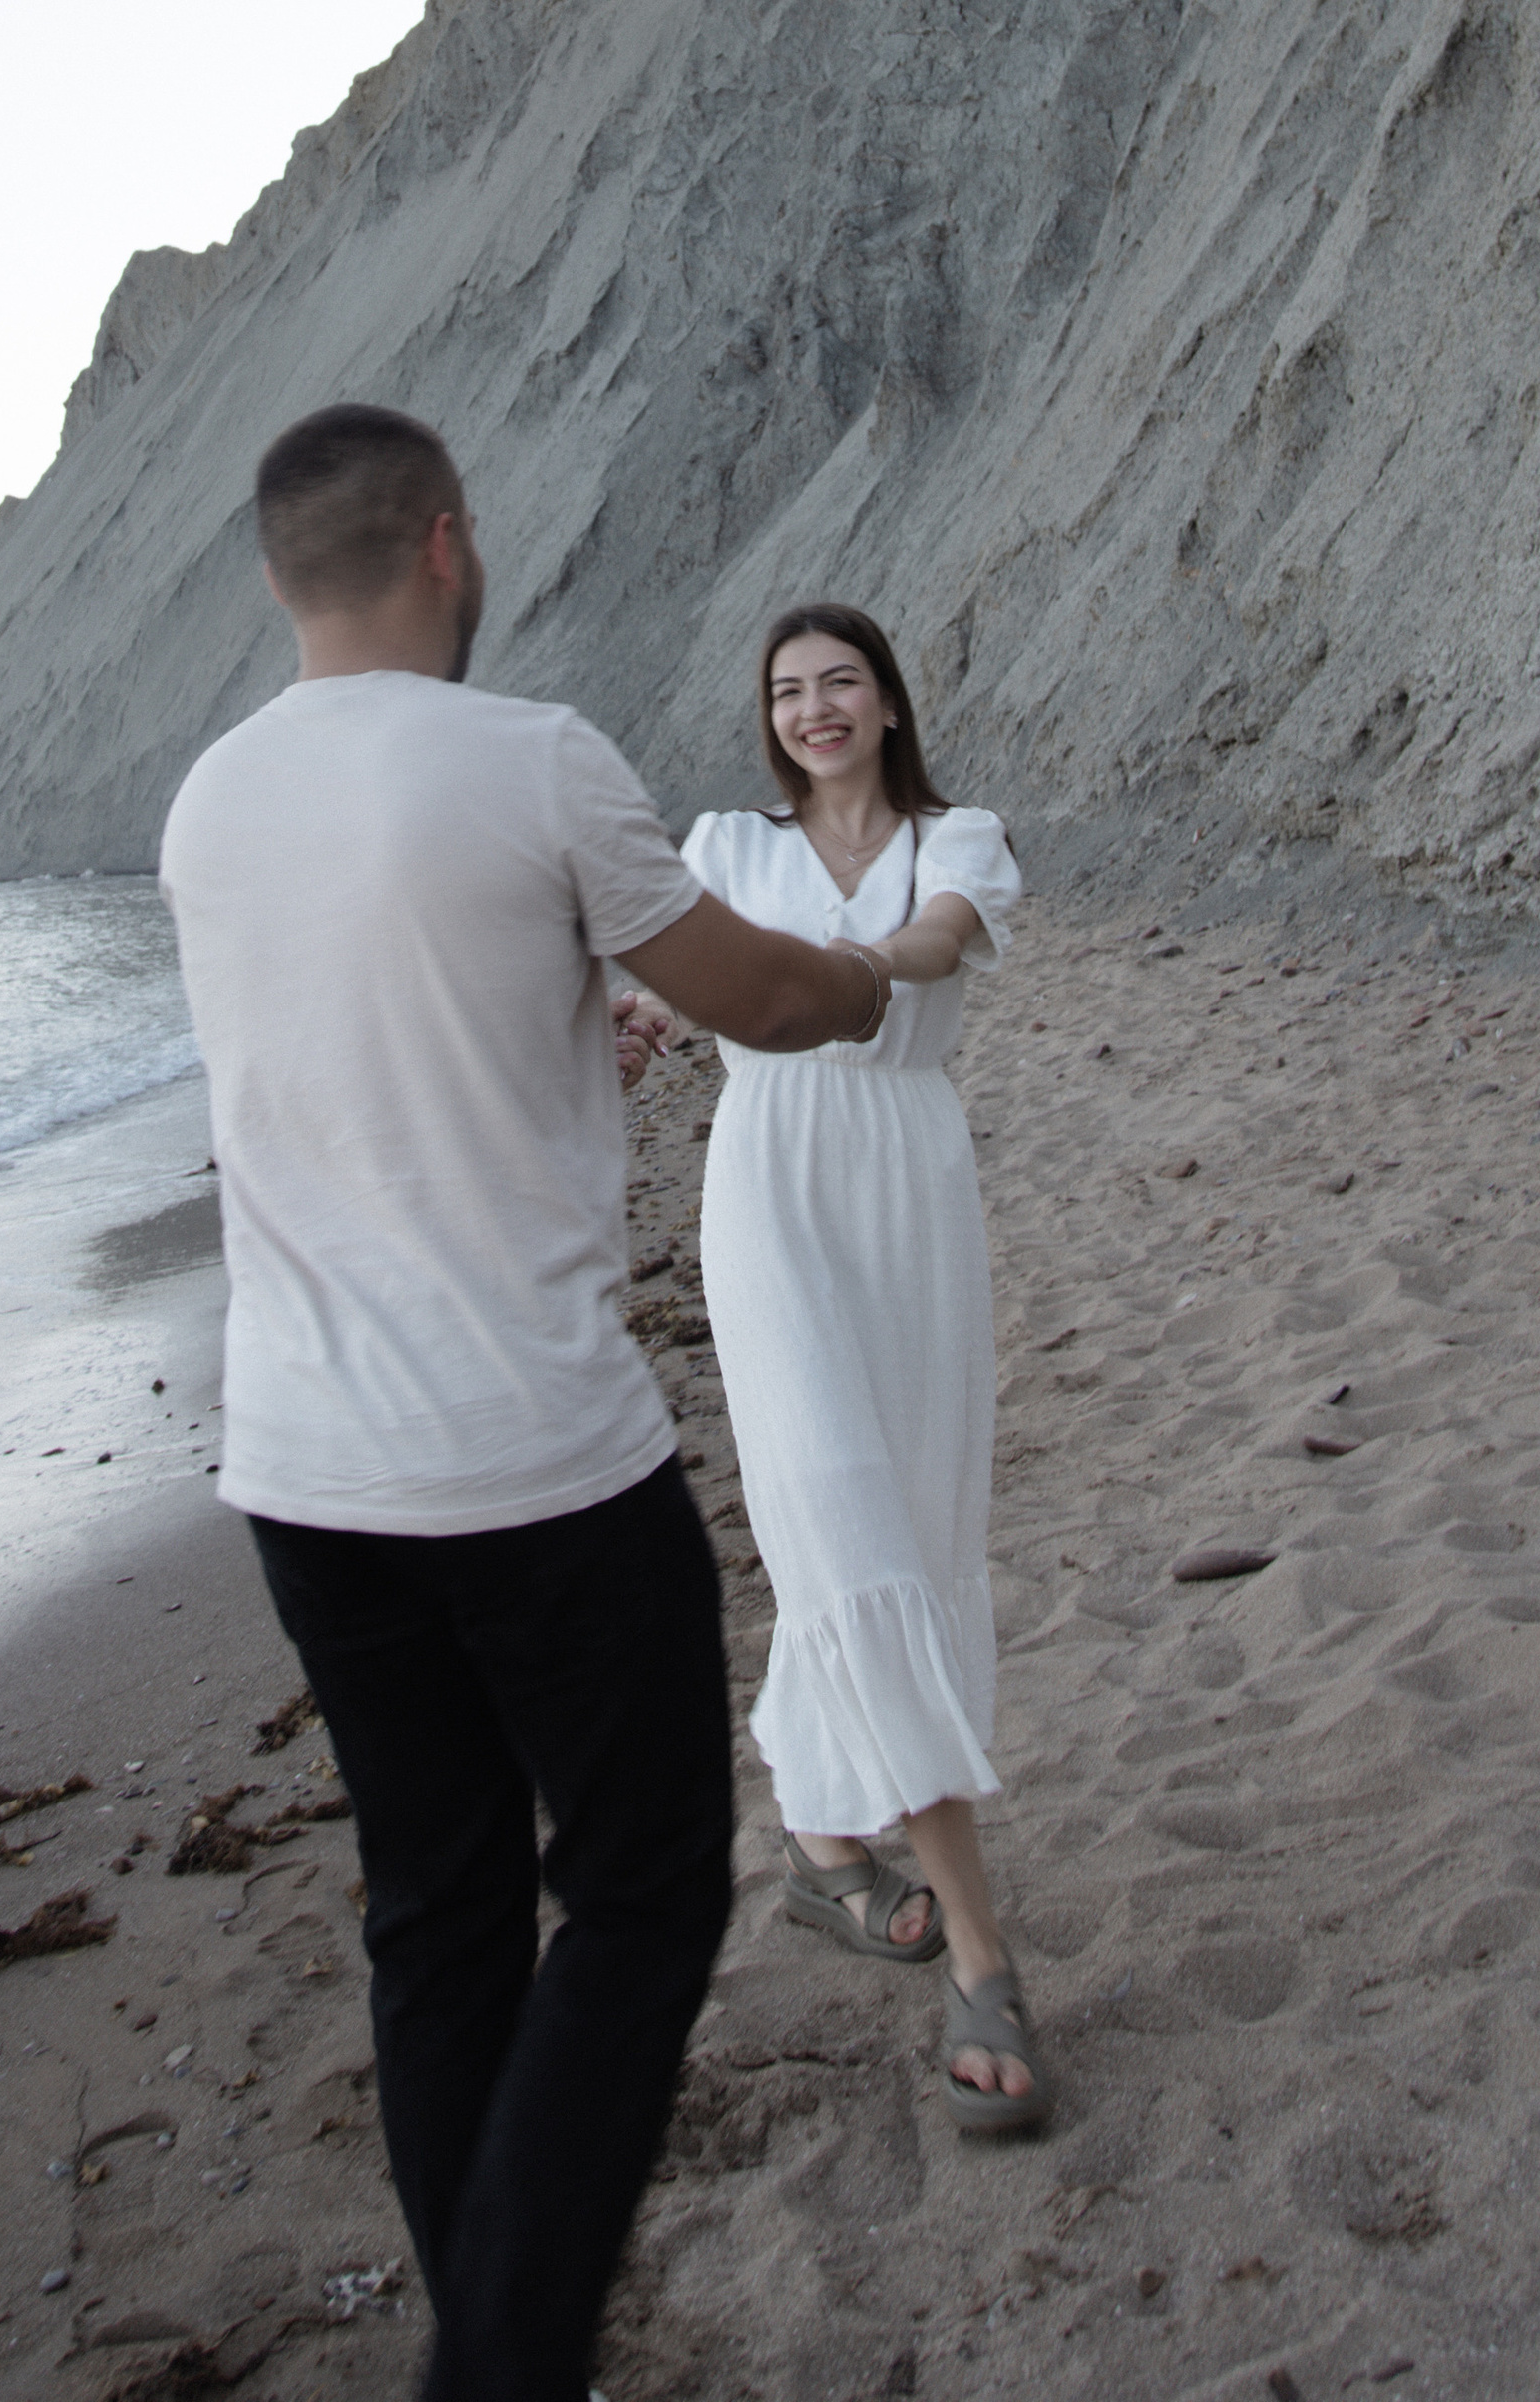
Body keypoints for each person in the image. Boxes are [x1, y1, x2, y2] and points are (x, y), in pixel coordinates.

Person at [157, 409, 904, 2402]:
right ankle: (496, 2369)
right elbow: (764, 996)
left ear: (276, 579)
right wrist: (866, 982)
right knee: (646, 1893)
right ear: (446, 542)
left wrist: (575, 1038)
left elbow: (378, 1048)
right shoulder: (533, 759)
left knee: (441, 1919)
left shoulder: (207, 807)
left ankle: (502, 2349)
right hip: (534, 1462)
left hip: (303, 1474)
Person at [616, 602, 1051, 2136]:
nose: (814, 709)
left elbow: (933, 946)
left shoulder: (958, 839)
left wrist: (837, 970)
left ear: (886, 703)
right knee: (843, 1525)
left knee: (904, 1537)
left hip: (908, 1188)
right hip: (772, 1191)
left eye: (840, 683)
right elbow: (671, 977)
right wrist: (641, 1020)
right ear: (770, 718)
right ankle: (983, 1954)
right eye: (789, 690)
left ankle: (818, 1843)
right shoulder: (727, 846)